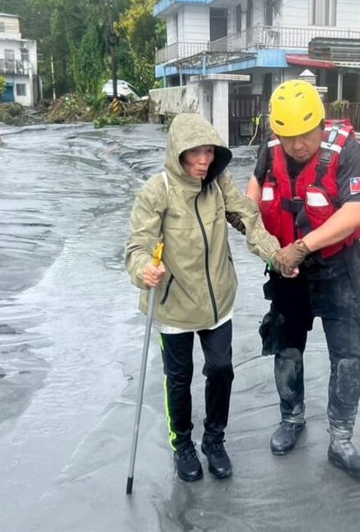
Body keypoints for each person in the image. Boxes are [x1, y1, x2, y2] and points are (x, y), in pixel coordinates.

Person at [125, 114, 288, 483]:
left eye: (209, 152)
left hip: (218, 302)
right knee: (178, 378)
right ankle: (182, 444)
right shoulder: (158, 190)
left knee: (220, 370)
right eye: (194, 153)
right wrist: (143, 270)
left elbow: (248, 219)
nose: (202, 161)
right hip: (173, 306)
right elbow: (139, 245)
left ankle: (214, 440)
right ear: (177, 153)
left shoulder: (219, 185)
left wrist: (275, 256)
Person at [246, 80, 360, 477]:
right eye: (287, 137)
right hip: (287, 272)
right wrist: (268, 246)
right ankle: (292, 418)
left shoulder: (348, 151)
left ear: (321, 125)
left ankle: (341, 440)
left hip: (336, 269)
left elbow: (355, 212)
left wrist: (302, 247)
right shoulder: (270, 150)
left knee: (348, 354)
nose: (297, 145)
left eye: (304, 135)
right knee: (286, 347)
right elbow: (252, 194)